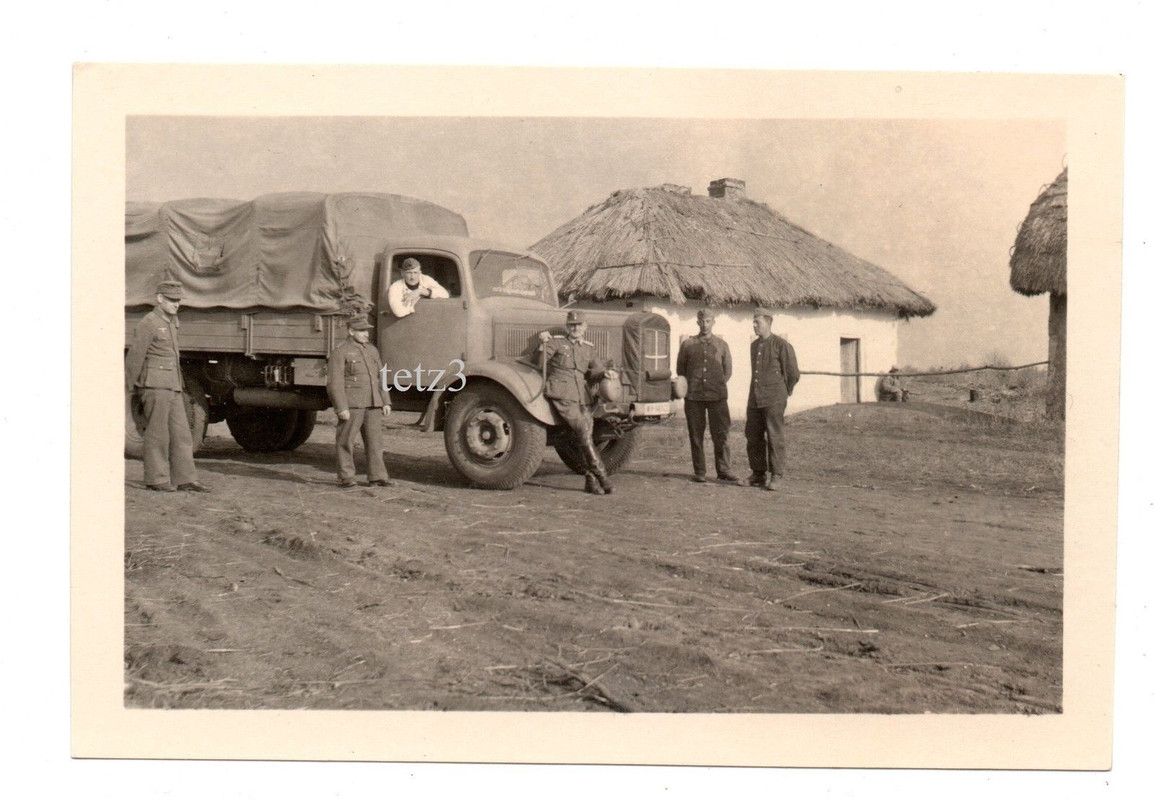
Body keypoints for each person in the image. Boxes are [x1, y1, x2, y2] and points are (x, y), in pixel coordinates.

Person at [124, 279, 210, 492]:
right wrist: (128, 387)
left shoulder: (171, 321)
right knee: (157, 433)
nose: (176, 304)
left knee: (182, 433)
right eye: (171, 300)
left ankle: (186, 479)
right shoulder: (149, 322)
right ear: (159, 299)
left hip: (173, 386)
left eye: (178, 300)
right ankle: (157, 479)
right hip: (154, 386)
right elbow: (135, 357)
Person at [537, 311, 615, 495]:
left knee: (586, 433)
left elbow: (592, 373)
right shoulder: (556, 342)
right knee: (582, 430)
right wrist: (543, 345)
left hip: (582, 397)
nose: (576, 328)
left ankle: (590, 480)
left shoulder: (588, 348)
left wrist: (605, 373)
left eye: (579, 325)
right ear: (567, 327)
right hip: (562, 394)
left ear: (585, 327)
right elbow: (541, 364)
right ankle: (602, 476)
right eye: (572, 325)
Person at [676, 308, 743, 484]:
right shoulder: (688, 345)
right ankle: (700, 471)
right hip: (694, 397)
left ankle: (724, 470)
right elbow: (680, 370)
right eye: (702, 321)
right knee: (696, 435)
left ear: (713, 322)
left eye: (708, 321)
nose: (705, 325)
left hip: (717, 398)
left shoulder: (722, 345)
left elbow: (727, 371)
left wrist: (715, 385)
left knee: (721, 434)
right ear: (697, 322)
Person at [327, 314, 393, 488]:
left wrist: (385, 401)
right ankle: (346, 477)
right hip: (352, 404)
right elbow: (335, 383)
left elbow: (380, 377)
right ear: (351, 331)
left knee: (375, 441)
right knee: (345, 441)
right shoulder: (340, 352)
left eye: (367, 331)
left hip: (373, 403)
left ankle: (377, 476)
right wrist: (341, 407)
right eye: (362, 331)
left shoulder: (372, 350)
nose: (366, 334)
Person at [744, 308, 800, 491]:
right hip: (755, 398)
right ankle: (758, 473)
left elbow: (792, 373)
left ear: (768, 323)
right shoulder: (754, 346)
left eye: (757, 322)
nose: (754, 325)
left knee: (774, 435)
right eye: (753, 322)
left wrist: (784, 392)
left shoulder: (781, 345)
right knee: (753, 435)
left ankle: (776, 474)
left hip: (774, 398)